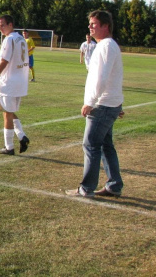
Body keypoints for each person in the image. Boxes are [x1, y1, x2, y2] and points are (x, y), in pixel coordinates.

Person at [66, 10, 125, 198]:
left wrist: (90, 102)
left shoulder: (106, 45)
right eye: (90, 24)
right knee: (106, 145)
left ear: (105, 26)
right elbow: (114, 77)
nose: (90, 27)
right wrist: (118, 104)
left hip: (102, 105)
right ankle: (114, 185)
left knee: (91, 144)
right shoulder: (108, 45)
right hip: (109, 103)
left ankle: (86, 188)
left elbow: (103, 76)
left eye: (94, 24)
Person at [0, 15, 30, 155]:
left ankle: (9, 147)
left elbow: (4, 62)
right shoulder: (21, 38)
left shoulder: (9, 39)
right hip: (20, 82)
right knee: (9, 111)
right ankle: (22, 136)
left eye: (3, 25)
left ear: (11, 24)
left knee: (7, 114)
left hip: (9, 82)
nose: (0, 28)